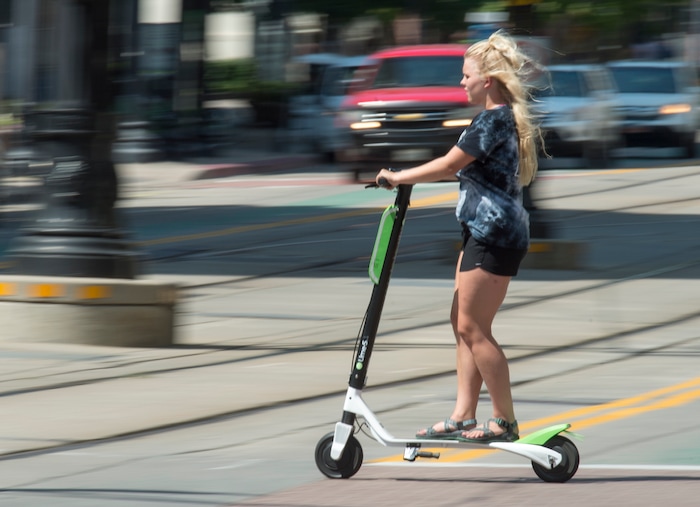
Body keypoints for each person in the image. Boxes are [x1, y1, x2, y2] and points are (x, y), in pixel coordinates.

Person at [374, 30, 543, 443]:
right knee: (462, 322)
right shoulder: (496, 119)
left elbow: (450, 165)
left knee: (474, 328)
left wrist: (397, 177)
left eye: (465, 75)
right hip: (484, 232)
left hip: (494, 234)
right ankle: (463, 414)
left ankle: (504, 420)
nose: (461, 83)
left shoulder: (492, 119)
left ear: (487, 80)